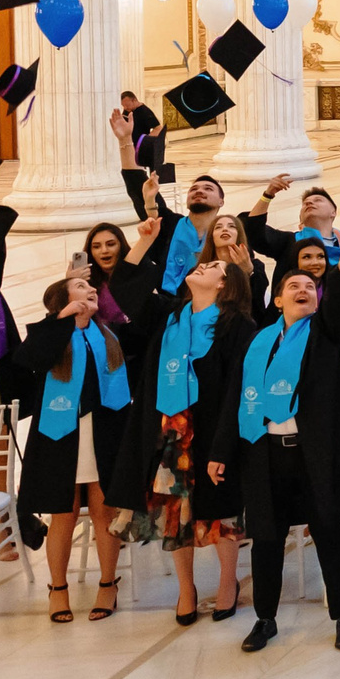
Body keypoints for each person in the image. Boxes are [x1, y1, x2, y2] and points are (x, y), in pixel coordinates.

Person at [208, 257, 340, 651]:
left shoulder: (324, 332)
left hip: (315, 454)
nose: (303, 291)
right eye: (293, 287)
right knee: (267, 539)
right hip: (264, 454)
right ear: (279, 299)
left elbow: (338, 305)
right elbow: (236, 396)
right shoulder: (258, 341)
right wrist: (221, 451)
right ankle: (265, 619)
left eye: (309, 287)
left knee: (329, 534)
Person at [104, 258, 252, 624]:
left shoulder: (237, 325)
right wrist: (144, 239)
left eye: (214, 265)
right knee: (175, 511)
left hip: (213, 428)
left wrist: (224, 443)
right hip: (169, 430)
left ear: (224, 284)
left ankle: (226, 583)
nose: (204, 265)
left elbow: (238, 387)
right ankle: (186, 588)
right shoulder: (169, 316)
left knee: (221, 510)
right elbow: (125, 289)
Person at [6, 277, 135, 622]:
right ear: (62, 300)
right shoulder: (49, 333)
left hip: (103, 431)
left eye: (92, 288)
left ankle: (108, 584)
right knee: (63, 512)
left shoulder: (108, 333)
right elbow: (28, 358)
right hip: (58, 433)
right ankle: (58, 588)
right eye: (80, 286)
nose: (91, 290)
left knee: (103, 511)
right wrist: (62, 320)